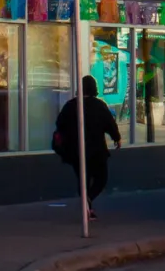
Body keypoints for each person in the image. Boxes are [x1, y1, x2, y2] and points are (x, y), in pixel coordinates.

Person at [52, 75, 121, 218]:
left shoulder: (70, 105)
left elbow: (60, 124)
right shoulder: (99, 105)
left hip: (75, 151)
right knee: (101, 178)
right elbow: (110, 124)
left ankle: (87, 204)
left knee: (83, 179)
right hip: (96, 151)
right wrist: (117, 138)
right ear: (94, 88)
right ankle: (88, 200)